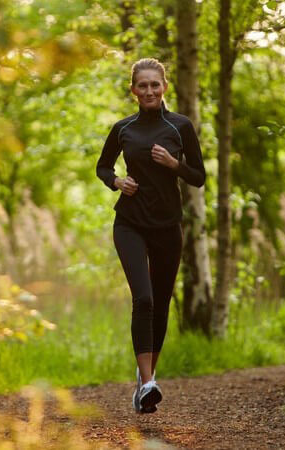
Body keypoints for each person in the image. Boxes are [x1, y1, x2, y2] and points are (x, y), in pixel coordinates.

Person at [95, 58, 206, 414]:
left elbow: (199, 176)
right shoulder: (122, 128)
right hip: (129, 223)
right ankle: (148, 383)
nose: (149, 91)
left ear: (165, 87)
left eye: (154, 85)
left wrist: (175, 165)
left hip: (167, 226)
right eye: (142, 85)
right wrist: (117, 182)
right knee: (143, 298)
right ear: (133, 90)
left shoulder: (180, 127)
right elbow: (103, 166)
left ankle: (146, 381)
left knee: (160, 303)